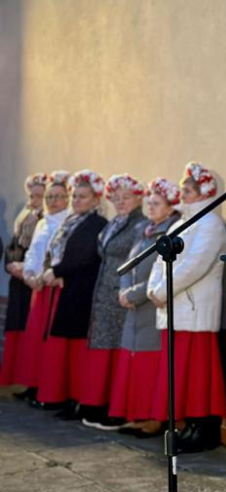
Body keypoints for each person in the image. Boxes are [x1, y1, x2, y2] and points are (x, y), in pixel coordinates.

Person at [147, 161, 226, 453]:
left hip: (195, 311)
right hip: (175, 308)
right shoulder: (181, 222)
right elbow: (160, 259)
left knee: (198, 374)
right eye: (181, 188)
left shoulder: (211, 225)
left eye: (189, 189)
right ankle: (189, 425)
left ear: (204, 192)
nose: (182, 194)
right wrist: (152, 289)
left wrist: (162, 291)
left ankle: (204, 428)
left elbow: (195, 265)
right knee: (180, 373)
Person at [109, 177, 181, 436]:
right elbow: (129, 263)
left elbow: (159, 272)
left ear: (171, 207)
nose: (150, 207)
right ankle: (138, 414)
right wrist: (124, 290)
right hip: (134, 307)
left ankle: (155, 417)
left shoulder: (172, 231)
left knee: (153, 364)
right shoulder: (144, 229)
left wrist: (136, 294)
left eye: (157, 203)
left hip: (153, 305)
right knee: (136, 362)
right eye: (149, 202)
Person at [36, 170, 107, 410]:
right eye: (75, 196)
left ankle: (73, 398)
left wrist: (57, 272)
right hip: (66, 288)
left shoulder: (96, 223)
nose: (76, 200)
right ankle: (56, 394)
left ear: (96, 200)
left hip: (81, 290)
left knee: (74, 347)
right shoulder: (71, 220)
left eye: (83, 197)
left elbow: (85, 256)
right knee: (60, 345)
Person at [80, 174, 147, 428]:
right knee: (102, 349)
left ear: (138, 198)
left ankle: (114, 407)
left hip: (121, 294)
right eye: (116, 197)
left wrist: (126, 289)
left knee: (116, 350)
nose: (120, 201)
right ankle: (95, 402)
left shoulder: (140, 224)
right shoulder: (114, 222)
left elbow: (135, 256)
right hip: (104, 292)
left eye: (126, 197)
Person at [14, 171, 70, 399]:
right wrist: (29, 273)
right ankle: (32, 384)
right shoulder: (42, 222)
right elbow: (33, 252)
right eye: (49, 197)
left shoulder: (67, 221)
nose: (53, 201)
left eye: (58, 196)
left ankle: (46, 386)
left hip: (54, 286)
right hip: (37, 286)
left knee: (49, 341)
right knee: (34, 339)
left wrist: (46, 274)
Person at [0, 173, 47, 387]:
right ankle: (11, 377)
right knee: (15, 328)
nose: (34, 200)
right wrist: (10, 264)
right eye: (32, 195)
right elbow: (11, 245)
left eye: (39, 196)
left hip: (32, 280)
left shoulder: (45, 221)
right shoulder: (24, 216)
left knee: (28, 329)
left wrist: (25, 269)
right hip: (17, 280)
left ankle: (27, 380)